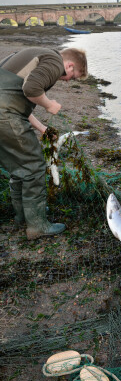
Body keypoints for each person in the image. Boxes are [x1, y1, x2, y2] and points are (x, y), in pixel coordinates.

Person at [0, 47, 88, 240]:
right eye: (73, 77)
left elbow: (13, 97)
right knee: (34, 166)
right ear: (70, 65)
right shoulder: (54, 61)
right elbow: (30, 90)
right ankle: (37, 226)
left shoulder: (31, 55)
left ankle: (24, 215)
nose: (67, 81)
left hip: (5, 113)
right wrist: (49, 105)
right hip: (5, 117)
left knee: (19, 167)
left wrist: (42, 129)